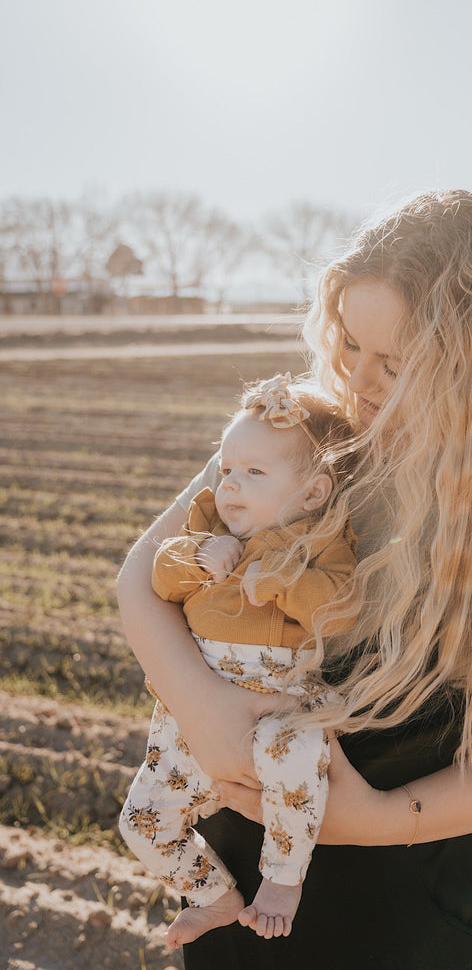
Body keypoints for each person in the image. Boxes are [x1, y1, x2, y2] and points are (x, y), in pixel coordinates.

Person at [117, 190, 472, 969]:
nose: (361, 382)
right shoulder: (301, 441)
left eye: (397, 362)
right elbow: (139, 581)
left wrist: (374, 818)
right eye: (349, 344)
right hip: (252, 892)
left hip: (423, 916)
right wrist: (204, 709)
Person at [119, 374, 358, 947]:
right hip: (191, 714)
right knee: (142, 821)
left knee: (299, 757)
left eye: (254, 473)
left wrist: (287, 581)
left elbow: (340, 609)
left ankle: (281, 878)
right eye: (227, 470)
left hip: (278, 706)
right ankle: (214, 896)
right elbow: (159, 575)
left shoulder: (322, 540)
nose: (230, 486)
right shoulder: (209, 523)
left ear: (313, 494)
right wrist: (201, 554)